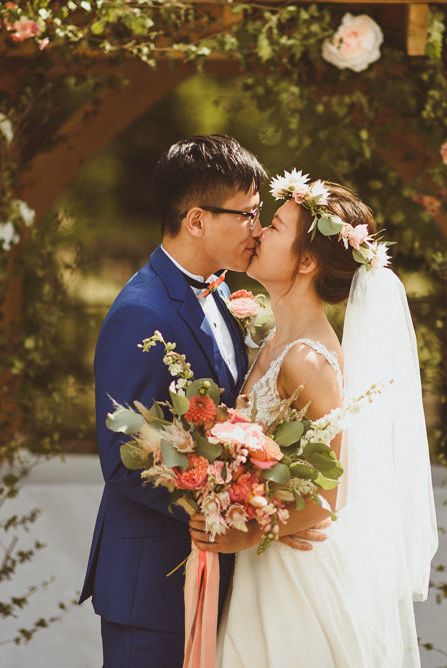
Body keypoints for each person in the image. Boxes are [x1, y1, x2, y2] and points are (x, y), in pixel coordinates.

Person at [80, 137, 326, 668]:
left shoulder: (218, 292)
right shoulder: (140, 314)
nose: (257, 229)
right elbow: (124, 460)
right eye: (247, 214)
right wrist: (227, 513)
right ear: (196, 220)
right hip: (154, 587)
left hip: (221, 577)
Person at [188, 172, 438, 667]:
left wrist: (246, 531)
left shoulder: (308, 360)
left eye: (275, 226)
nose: (258, 232)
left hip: (294, 579)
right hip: (264, 569)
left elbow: (328, 498)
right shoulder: (270, 339)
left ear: (305, 261)